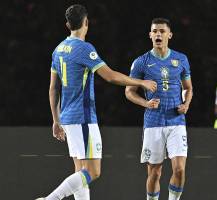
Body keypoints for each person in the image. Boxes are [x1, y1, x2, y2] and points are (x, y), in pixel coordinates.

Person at [36, 4, 157, 200]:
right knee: (93, 172)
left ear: (68, 24)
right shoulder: (84, 48)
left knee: (80, 171)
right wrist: (140, 81)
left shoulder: (58, 50)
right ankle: (49, 199)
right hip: (82, 117)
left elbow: (53, 88)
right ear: (86, 22)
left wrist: (55, 120)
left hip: (67, 118)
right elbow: (110, 76)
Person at [125, 18, 193, 200]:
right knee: (155, 173)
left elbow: (188, 88)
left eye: (162, 31)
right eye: (155, 31)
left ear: (169, 35)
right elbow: (129, 92)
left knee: (179, 169)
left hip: (176, 122)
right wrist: (145, 103)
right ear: (150, 35)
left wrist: (185, 104)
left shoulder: (181, 59)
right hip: (153, 122)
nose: (158, 34)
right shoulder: (141, 62)